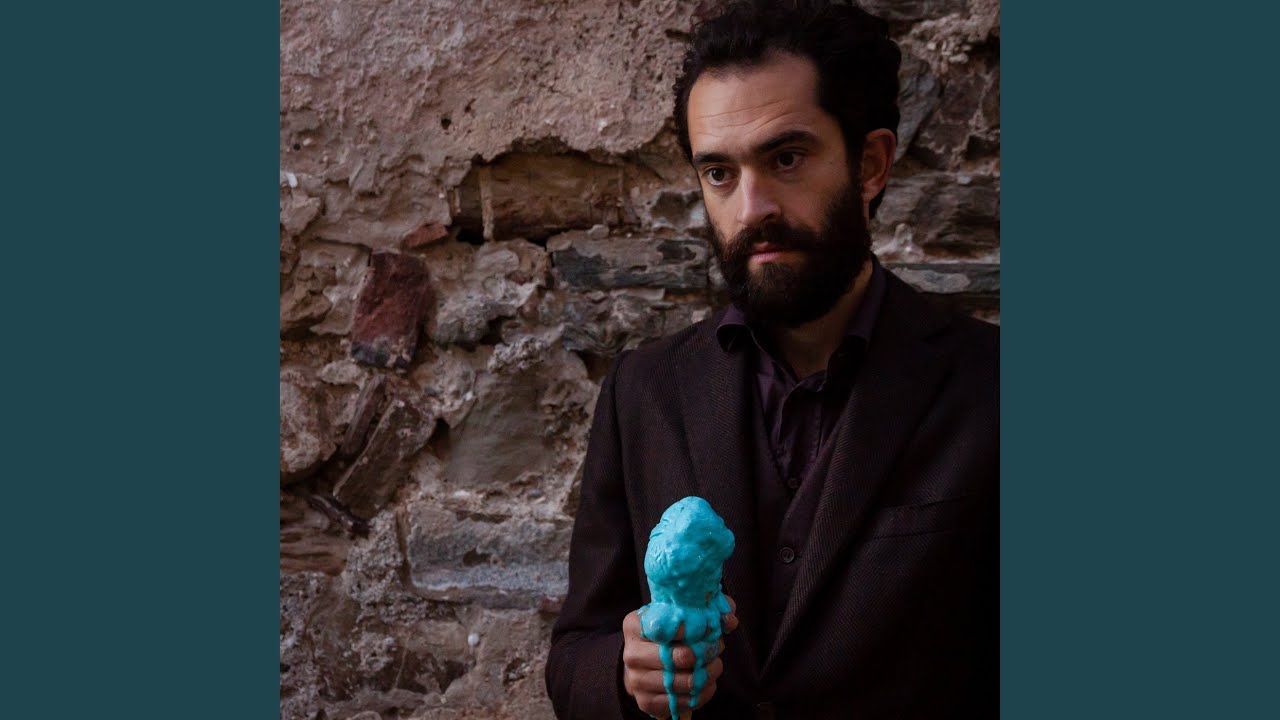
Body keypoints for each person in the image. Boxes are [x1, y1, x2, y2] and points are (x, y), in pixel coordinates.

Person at [545, 1, 998, 718]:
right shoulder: (643, 391)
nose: (751, 207)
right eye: (719, 172)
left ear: (870, 164)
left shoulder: (992, 383)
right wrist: (626, 676)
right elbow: (574, 655)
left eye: (786, 159)